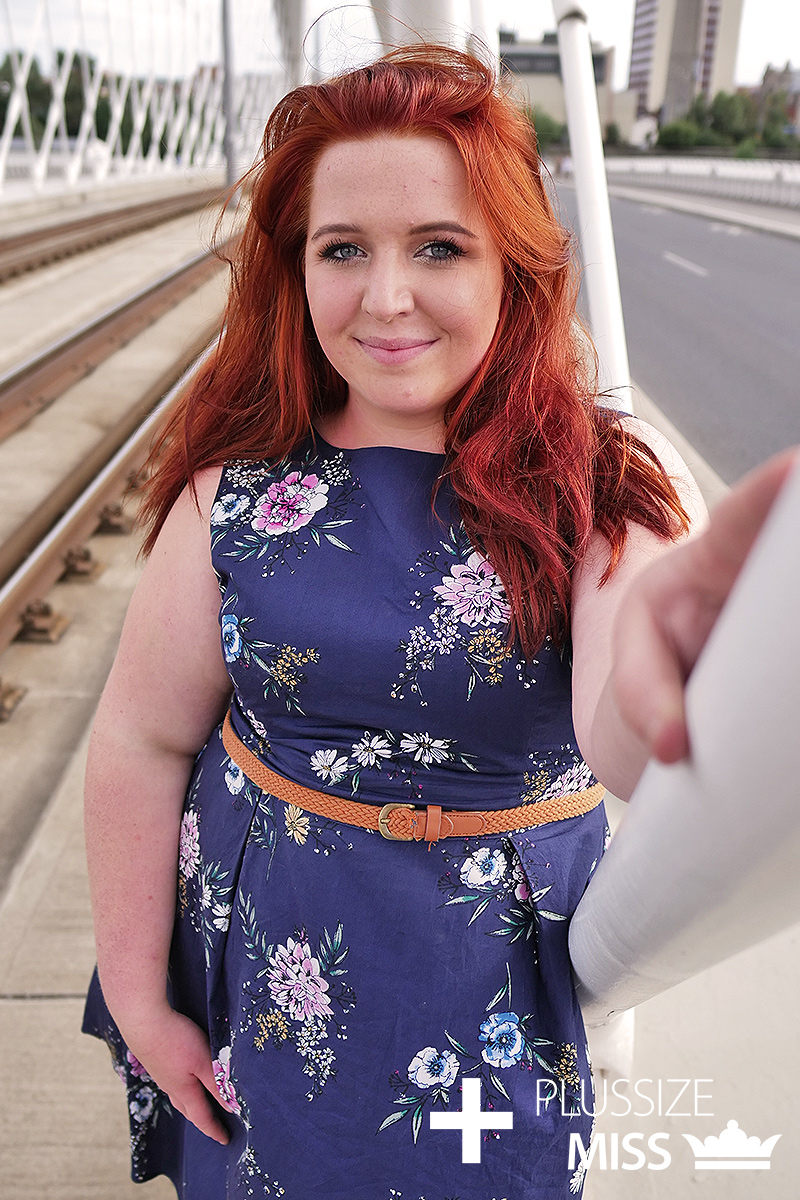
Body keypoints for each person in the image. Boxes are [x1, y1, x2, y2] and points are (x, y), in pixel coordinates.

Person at [81, 44, 795, 1199]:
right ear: (296, 269)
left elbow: (621, 729)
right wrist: (135, 991)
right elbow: (139, 737)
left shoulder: (594, 487)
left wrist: (682, 670)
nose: (384, 297)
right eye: (342, 249)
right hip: (256, 973)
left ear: (512, 264)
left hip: (482, 995)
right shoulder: (238, 494)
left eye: (438, 248)